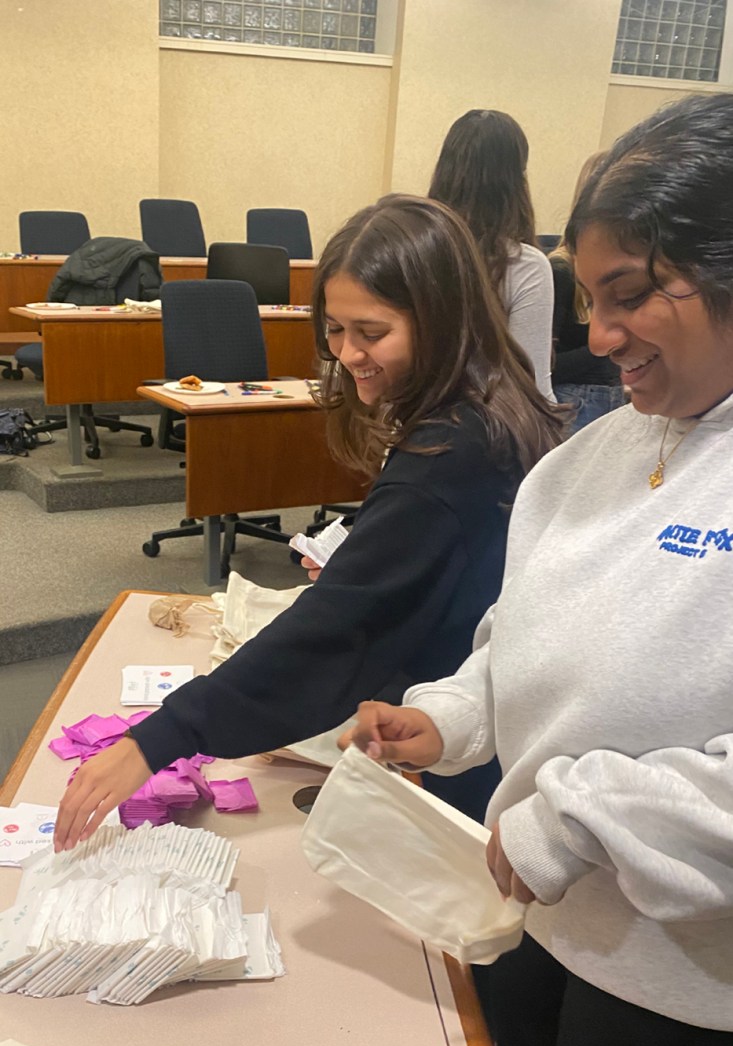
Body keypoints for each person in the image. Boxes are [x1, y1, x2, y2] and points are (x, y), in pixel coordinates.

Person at [345, 95, 733, 1046]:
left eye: (632, 293)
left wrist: (575, 821)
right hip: (540, 920)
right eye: (585, 299)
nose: (596, 336)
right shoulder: (592, 454)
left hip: (690, 990)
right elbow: (521, 634)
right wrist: (450, 714)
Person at [53, 193, 563, 850]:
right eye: (334, 329)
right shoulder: (489, 399)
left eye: (372, 332)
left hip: (465, 751)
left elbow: (337, 627)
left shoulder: (449, 450)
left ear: (440, 319)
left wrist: (161, 735)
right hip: (471, 714)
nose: (348, 354)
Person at [428, 108, 555, 402]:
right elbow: (533, 386)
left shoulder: (415, 250)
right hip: (491, 433)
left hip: (415, 425)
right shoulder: (525, 266)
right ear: (516, 181)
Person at [549, 151, 626, 430]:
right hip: (575, 400)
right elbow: (548, 366)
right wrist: (603, 349)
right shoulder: (561, 271)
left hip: (613, 394)